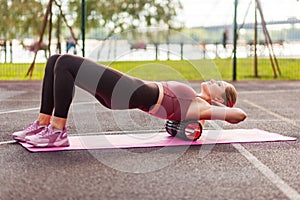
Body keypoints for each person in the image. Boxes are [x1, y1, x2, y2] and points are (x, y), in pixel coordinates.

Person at [12, 54, 247, 147]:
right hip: (127, 91)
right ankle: (43, 124)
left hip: (127, 91)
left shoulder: (202, 108)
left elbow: (239, 116)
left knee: (65, 63)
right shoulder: (197, 101)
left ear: (219, 99)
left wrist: (221, 112)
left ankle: (57, 131)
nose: (215, 80)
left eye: (219, 84)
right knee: (55, 61)